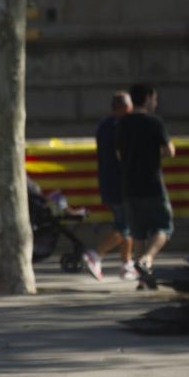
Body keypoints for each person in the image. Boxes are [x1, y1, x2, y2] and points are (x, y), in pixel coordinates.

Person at [116, 83, 176, 290]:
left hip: (129, 186)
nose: (156, 102)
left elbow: (118, 153)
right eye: (155, 98)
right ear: (148, 97)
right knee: (164, 227)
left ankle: (143, 279)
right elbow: (169, 151)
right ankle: (147, 260)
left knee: (138, 233)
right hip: (152, 184)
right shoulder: (155, 123)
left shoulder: (122, 124)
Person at [83, 91, 136, 281]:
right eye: (130, 108)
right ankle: (96, 254)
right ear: (124, 108)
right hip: (122, 183)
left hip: (107, 181)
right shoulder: (122, 127)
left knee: (123, 223)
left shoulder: (104, 126)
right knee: (126, 226)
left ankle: (127, 265)